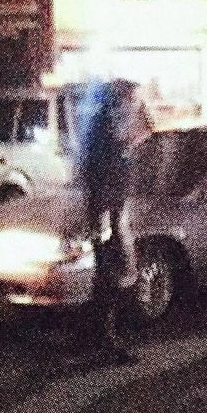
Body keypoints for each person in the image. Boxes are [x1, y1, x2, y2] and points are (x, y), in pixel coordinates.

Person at [78, 79, 151, 367]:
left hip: (111, 214)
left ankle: (100, 337)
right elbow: (102, 176)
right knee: (114, 278)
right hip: (109, 216)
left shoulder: (107, 130)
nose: (134, 103)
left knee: (110, 279)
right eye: (131, 97)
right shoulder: (107, 132)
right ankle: (107, 340)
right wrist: (108, 224)